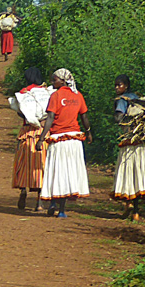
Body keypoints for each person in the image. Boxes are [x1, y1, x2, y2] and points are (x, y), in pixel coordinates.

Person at [35, 68, 92, 218]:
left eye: (55, 80)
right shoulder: (78, 96)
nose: (53, 82)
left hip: (59, 139)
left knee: (56, 171)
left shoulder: (56, 96)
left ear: (63, 81)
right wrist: (89, 132)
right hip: (74, 140)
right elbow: (84, 116)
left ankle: (54, 201)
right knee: (68, 173)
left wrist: (41, 138)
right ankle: (61, 210)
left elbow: (50, 118)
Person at [110, 74, 145, 221]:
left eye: (120, 85)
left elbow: (118, 118)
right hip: (142, 145)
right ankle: (135, 211)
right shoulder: (139, 100)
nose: (117, 88)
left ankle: (128, 205)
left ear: (126, 86)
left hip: (130, 144)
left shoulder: (122, 101)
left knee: (128, 176)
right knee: (139, 176)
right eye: (116, 85)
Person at [11, 67, 47, 212]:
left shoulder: (24, 92)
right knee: (41, 165)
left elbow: (21, 112)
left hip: (26, 132)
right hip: (43, 133)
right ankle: (39, 202)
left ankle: (23, 191)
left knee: (24, 164)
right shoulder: (46, 93)